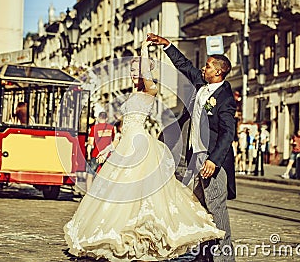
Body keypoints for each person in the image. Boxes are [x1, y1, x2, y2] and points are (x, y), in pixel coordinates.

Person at [63, 39, 224, 261]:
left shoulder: (151, 89)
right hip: (126, 144)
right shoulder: (131, 95)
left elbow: (147, 88)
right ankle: (118, 239)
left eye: (134, 70)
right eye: (129, 70)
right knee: (118, 196)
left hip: (140, 145)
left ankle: (146, 240)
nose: (131, 74)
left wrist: (145, 53)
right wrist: (110, 147)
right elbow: (124, 126)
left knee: (140, 196)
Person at [147, 33, 236, 261]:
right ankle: (205, 255)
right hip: (195, 156)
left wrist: (214, 161)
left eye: (207, 66)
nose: (203, 69)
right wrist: (167, 45)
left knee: (216, 209)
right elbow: (184, 66)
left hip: (211, 161)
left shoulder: (225, 98)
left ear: (218, 71)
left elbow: (228, 133)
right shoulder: (201, 84)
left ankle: (226, 258)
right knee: (199, 208)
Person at [85, 111, 114, 190]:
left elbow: (91, 143)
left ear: (98, 118)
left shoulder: (94, 128)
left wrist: (88, 155)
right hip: (108, 155)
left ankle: (88, 194)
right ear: (106, 119)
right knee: (106, 175)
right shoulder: (111, 128)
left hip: (96, 154)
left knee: (90, 175)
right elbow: (113, 142)